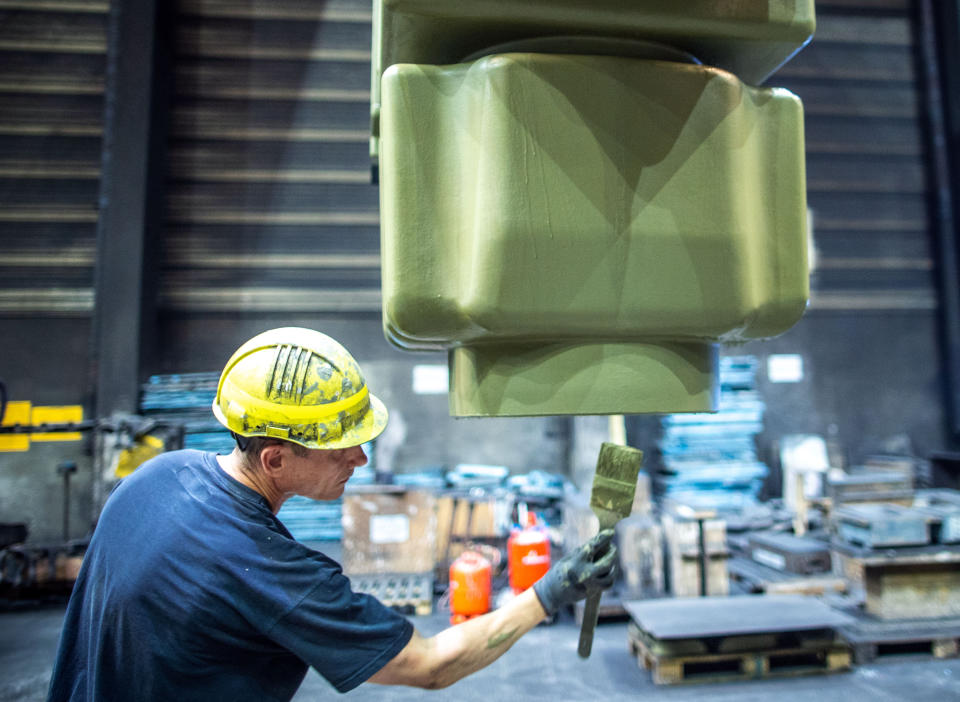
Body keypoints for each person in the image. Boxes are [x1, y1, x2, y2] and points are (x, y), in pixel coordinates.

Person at [47, 327, 618, 701]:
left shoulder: (154, 477)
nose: (361, 457)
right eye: (341, 445)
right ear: (274, 459)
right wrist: (550, 591)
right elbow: (430, 665)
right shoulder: (274, 574)